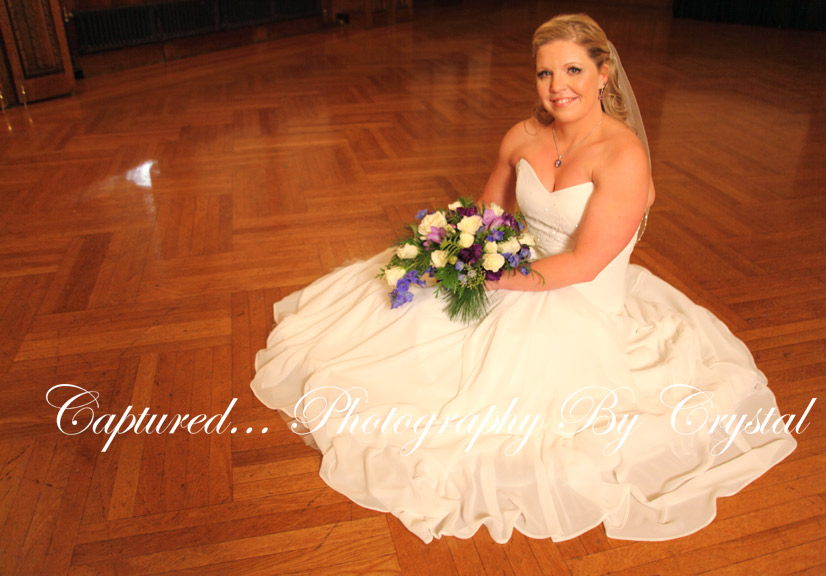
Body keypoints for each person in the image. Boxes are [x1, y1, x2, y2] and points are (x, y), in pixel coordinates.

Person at [251, 14, 797, 544]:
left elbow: (583, 265)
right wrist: (461, 250)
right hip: (518, 270)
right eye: (545, 73)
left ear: (604, 74)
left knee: (491, 407)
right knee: (410, 323)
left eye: (573, 70)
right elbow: (488, 213)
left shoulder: (623, 156)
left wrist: (491, 279)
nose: (558, 87)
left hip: (580, 300)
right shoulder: (523, 137)